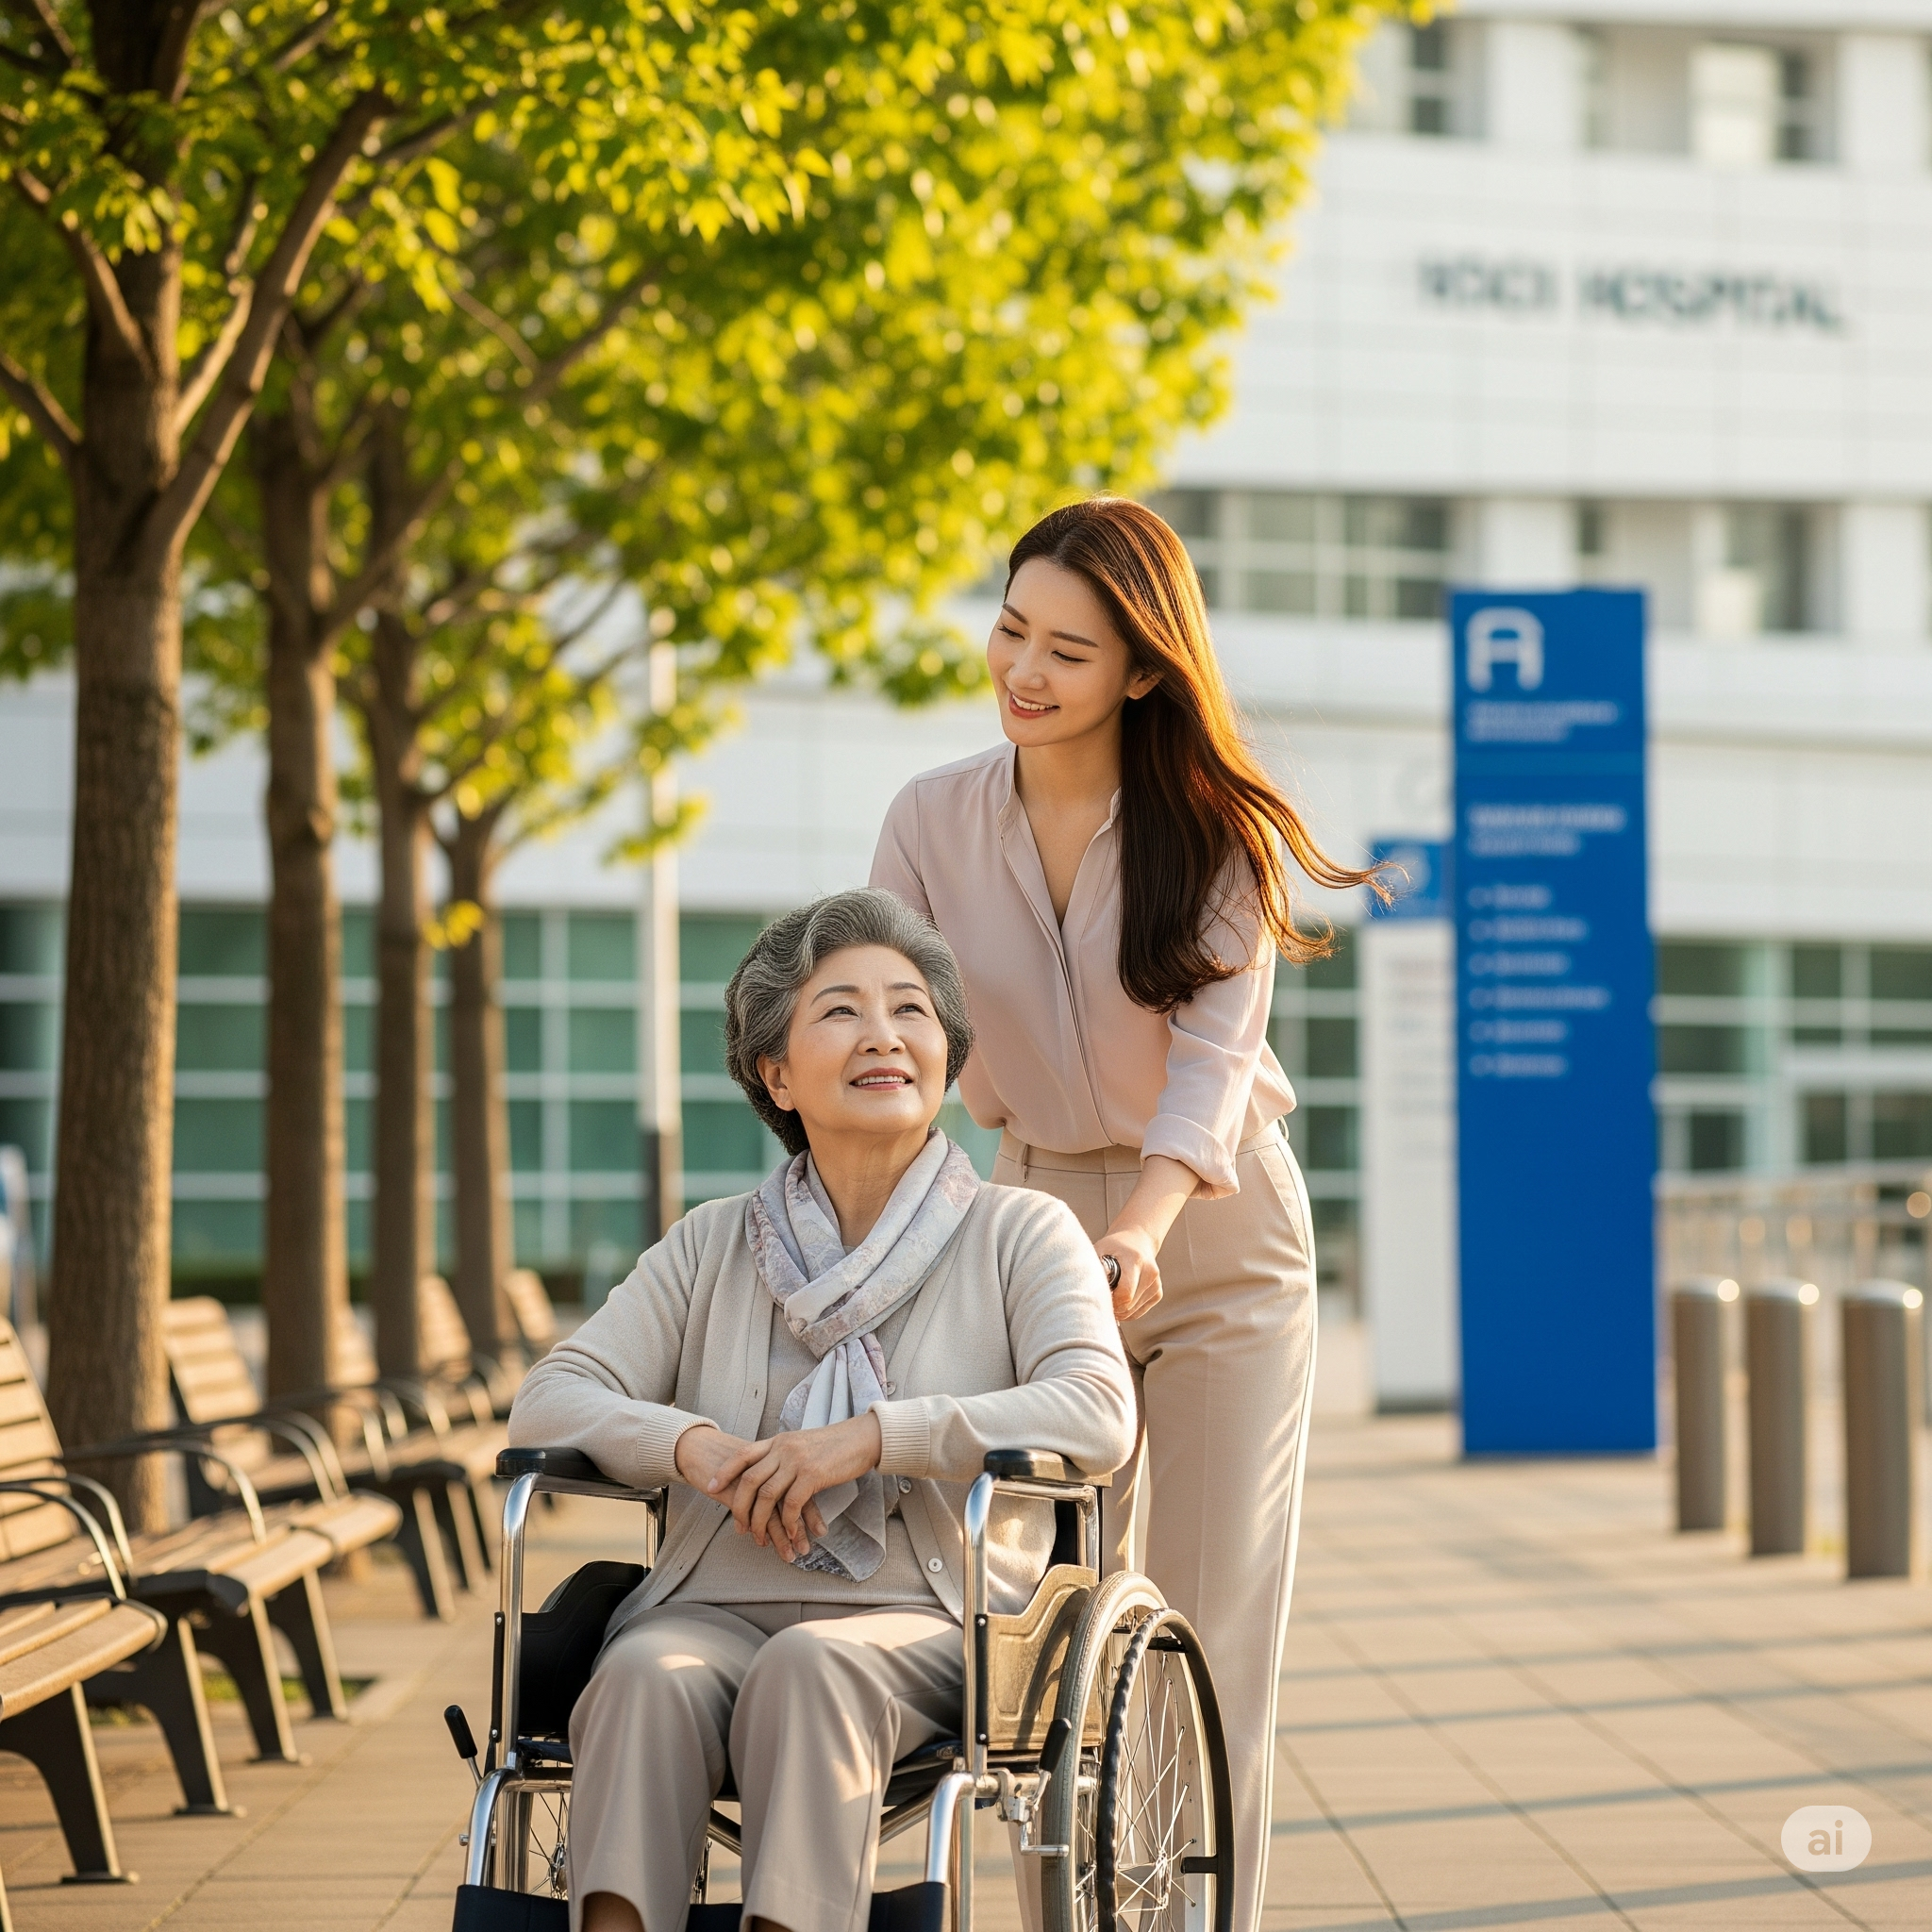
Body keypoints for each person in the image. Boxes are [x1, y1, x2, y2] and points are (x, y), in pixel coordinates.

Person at [869, 496, 1383, 1932]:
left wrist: (1143, 1228)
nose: (1023, 670)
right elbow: (901, 1039)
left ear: (1145, 669)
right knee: (1032, 1634)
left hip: (1213, 1239)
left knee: (1209, 1638)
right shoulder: (927, 820)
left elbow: (1212, 1070)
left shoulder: (1212, 835)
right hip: (1033, 1216)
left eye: (1069, 651)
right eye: (1011, 629)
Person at [508, 888, 1135, 1932]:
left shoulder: (1022, 1233)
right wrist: (692, 1447)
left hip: (935, 1619)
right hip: (709, 1608)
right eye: (841, 1010)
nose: (883, 1034)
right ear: (776, 1073)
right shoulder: (710, 1244)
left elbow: (1096, 1408)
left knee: (810, 1668)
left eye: (910, 1009)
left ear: (945, 1055)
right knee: (640, 1676)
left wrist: (876, 1436)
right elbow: (549, 1397)